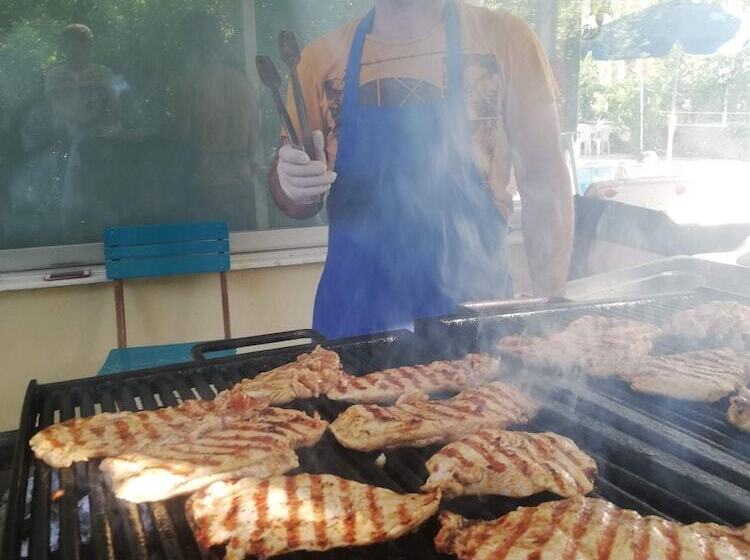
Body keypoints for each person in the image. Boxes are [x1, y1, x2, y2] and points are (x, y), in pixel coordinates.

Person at [269, 0, 573, 339]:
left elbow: (545, 181)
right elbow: (294, 200)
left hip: (474, 322)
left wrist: (550, 312)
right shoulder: (318, 59)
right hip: (354, 326)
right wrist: (290, 183)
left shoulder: (506, 39)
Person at [175, 11, 260, 227]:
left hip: (207, 182)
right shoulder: (243, 82)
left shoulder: (191, 84)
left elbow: (182, 138)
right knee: (245, 244)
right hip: (242, 179)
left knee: (208, 246)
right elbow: (255, 138)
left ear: (192, 45)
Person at [45, 24, 120, 226]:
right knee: (67, 204)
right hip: (64, 145)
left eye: (83, 46)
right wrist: (81, 119)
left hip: (101, 143)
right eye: (73, 47)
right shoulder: (54, 76)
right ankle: (68, 237)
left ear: (90, 47)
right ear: (64, 48)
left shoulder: (103, 74)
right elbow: (55, 111)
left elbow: (115, 110)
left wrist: (103, 127)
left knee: (102, 197)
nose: (78, 52)